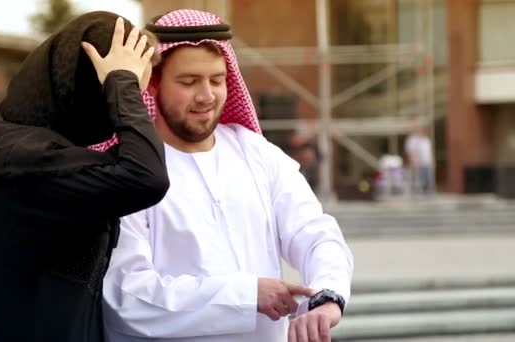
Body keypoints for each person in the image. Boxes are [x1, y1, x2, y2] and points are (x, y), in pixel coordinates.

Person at [101, 9, 353, 342]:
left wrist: (326, 297)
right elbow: (127, 297)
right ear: (154, 82)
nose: (206, 95)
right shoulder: (128, 170)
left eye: (217, 80)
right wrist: (246, 295)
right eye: (189, 82)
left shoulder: (255, 154)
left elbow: (315, 233)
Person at [0, 12, 169, 342]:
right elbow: (147, 178)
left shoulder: (35, 152)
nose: (140, 98)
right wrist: (123, 82)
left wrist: (121, 83)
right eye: (132, 87)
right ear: (91, 83)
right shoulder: (31, 162)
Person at [405, 126, 434, 194]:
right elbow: (411, 152)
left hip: (427, 162)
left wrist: (432, 161)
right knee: (420, 178)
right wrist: (414, 161)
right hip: (420, 163)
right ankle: (418, 191)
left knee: (428, 178)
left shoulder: (427, 140)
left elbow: (430, 152)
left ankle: (428, 191)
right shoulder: (415, 140)